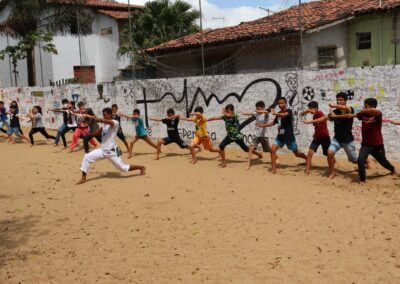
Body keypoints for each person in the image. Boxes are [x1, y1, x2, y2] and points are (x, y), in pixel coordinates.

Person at [77, 107, 145, 184]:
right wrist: (89, 135)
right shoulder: (104, 124)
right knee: (87, 157)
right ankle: (83, 178)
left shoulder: (115, 122)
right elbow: (98, 132)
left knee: (123, 168)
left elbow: (104, 120)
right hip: (103, 150)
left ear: (110, 115)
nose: (103, 116)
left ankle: (141, 167)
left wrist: (97, 119)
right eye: (103, 115)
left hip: (111, 151)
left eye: (105, 115)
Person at [340, 98, 395, 183]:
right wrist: (336, 116)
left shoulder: (378, 114)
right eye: (364, 106)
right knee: (360, 160)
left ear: (372, 106)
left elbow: (375, 111)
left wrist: (363, 110)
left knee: (383, 161)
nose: (364, 108)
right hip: (366, 144)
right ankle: (362, 179)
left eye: (366, 106)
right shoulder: (363, 114)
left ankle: (392, 170)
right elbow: (350, 115)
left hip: (377, 144)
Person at [257, 97, 307, 174]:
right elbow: (273, 123)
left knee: (297, 153)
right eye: (279, 103)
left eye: (282, 103)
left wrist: (275, 113)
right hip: (280, 137)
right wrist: (263, 125)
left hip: (289, 137)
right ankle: (274, 169)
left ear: (286, 103)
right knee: (273, 150)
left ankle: (307, 159)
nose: (280, 105)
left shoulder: (289, 111)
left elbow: (284, 114)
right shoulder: (278, 114)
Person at [326, 92, 359, 179]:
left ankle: (366, 161)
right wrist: (310, 122)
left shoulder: (349, 109)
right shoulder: (335, 112)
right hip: (337, 139)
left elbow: (344, 108)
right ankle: (332, 172)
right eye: (337, 100)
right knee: (329, 153)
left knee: (354, 161)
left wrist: (333, 106)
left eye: (341, 100)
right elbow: (326, 118)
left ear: (345, 100)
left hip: (348, 141)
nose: (338, 101)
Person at [300, 101, 331, 175]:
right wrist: (314, 134)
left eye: (310, 108)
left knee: (328, 154)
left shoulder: (319, 113)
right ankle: (307, 170)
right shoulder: (314, 116)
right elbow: (317, 127)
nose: (309, 110)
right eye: (309, 108)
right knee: (310, 153)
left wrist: (306, 111)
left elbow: (317, 114)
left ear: (316, 108)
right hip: (317, 138)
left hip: (325, 137)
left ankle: (332, 166)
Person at [241, 101, 272, 170]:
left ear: (263, 108)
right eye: (256, 108)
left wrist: (259, 111)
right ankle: (248, 164)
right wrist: (244, 113)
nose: (257, 109)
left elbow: (267, 112)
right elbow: (251, 113)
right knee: (251, 148)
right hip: (256, 135)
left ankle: (275, 157)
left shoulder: (265, 115)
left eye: (258, 108)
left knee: (268, 150)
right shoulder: (257, 114)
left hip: (264, 136)